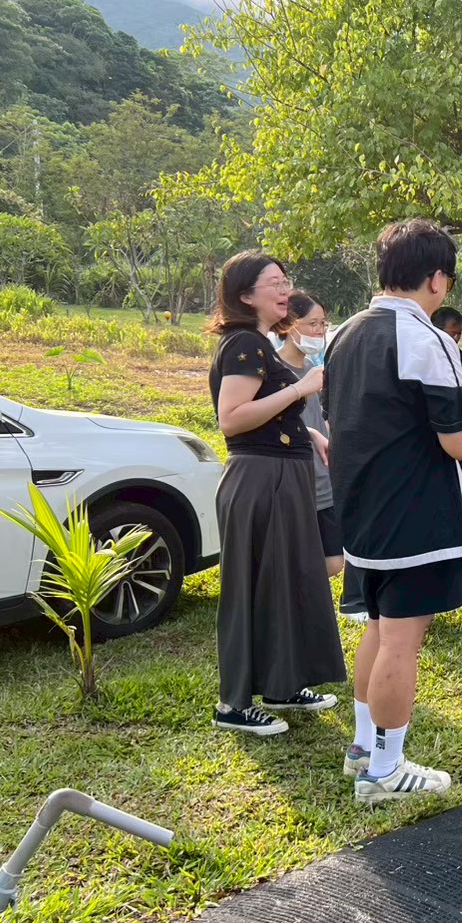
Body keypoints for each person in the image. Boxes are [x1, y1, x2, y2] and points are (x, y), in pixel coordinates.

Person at [324, 219, 462, 805]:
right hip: (415, 515)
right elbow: (458, 443)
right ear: (437, 279)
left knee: (378, 627)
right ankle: (385, 770)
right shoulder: (427, 338)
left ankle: (363, 748)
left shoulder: (342, 334)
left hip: (363, 509)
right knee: (402, 638)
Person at [206, 252, 346, 737]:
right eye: (274, 283)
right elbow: (232, 419)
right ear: (245, 295)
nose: (285, 291)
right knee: (251, 588)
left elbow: (268, 416)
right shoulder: (244, 344)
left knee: (286, 584)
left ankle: (282, 686)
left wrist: (312, 434)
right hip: (259, 479)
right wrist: (301, 389)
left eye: (286, 282)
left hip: (281, 474)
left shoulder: (259, 343)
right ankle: (233, 705)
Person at [279, 291, 345, 581]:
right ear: (288, 325)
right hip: (294, 477)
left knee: (334, 561)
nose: (319, 331)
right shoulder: (273, 370)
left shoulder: (312, 368)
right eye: (312, 324)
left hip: (322, 475)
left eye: (323, 324)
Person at [431, 305, 462, 389]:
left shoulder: (457, 353)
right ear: (437, 330)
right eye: (452, 333)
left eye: (459, 334)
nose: (456, 338)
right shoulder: (428, 352)